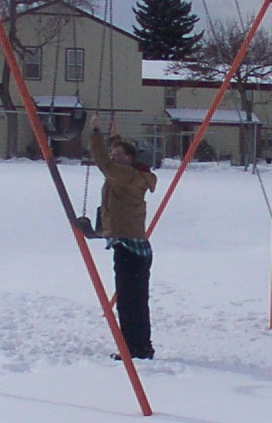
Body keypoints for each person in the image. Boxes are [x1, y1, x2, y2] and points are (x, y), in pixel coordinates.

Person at [89, 114, 157, 360]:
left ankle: (135, 349)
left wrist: (95, 133)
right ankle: (139, 346)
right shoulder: (131, 174)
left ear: (131, 159)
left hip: (130, 248)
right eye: (114, 153)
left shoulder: (127, 177)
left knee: (130, 304)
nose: (115, 157)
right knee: (133, 301)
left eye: (120, 154)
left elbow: (104, 164)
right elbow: (111, 162)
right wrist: (113, 135)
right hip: (128, 244)